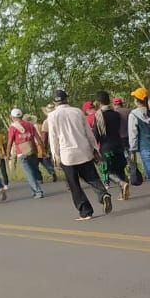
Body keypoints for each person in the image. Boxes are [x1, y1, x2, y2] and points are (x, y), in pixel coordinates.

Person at [44, 89, 111, 220]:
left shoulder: (52, 116)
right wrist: (95, 148)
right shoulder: (77, 111)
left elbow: (53, 138)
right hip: (84, 150)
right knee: (92, 176)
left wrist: (55, 156)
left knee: (74, 184)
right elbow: (89, 132)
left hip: (67, 154)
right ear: (66, 99)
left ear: (54, 102)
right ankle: (103, 194)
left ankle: (85, 211)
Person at [92, 92, 131, 201]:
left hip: (106, 146)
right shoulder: (116, 114)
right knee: (120, 169)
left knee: (106, 171)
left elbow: (96, 133)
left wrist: (94, 147)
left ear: (99, 102)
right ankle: (123, 193)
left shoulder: (99, 115)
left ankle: (121, 183)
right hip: (118, 144)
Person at [6, 108, 46, 199]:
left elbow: (10, 142)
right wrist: (43, 150)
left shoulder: (13, 127)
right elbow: (38, 139)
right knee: (33, 171)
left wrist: (8, 154)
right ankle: (34, 191)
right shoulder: (30, 125)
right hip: (32, 150)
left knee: (29, 173)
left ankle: (38, 191)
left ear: (12, 117)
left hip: (21, 153)